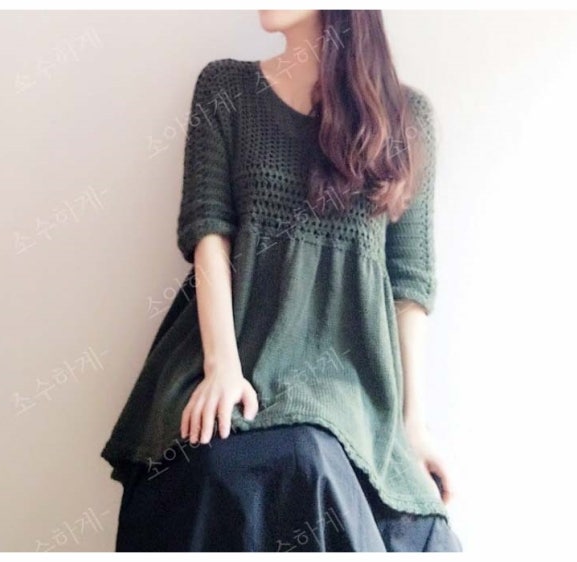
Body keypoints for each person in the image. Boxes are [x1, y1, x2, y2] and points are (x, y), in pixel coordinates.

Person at [100, 9, 464, 552]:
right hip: (237, 356)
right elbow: (208, 232)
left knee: (416, 529)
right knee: (281, 463)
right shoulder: (226, 88)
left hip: (353, 389)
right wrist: (222, 368)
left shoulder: (408, 117)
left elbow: (408, 284)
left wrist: (413, 426)